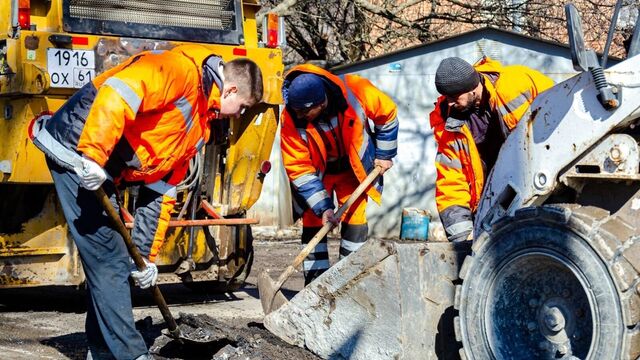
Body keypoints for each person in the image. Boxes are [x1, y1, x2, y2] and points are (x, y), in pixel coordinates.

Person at [32, 45, 263, 360]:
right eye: (242, 106)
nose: (240, 115)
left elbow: (162, 190)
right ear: (231, 89)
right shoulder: (178, 70)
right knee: (108, 259)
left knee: (115, 262)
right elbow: (117, 93)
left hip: (102, 168)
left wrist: (145, 257)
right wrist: (94, 155)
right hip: (76, 150)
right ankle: (130, 354)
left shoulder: (199, 127)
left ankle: (101, 352)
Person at [280, 64, 398, 285]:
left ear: (321, 103)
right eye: (296, 111)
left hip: (352, 172)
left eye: (304, 112)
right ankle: (315, 286)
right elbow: (299, 167)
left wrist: (385, 153)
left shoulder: (356, 89)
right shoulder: (291, 118)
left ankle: (349, 282)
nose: (299, 116)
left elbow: (387, 114)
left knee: (355, 219)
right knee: (314, 219)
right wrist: (323, 207)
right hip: (318, 175)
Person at [429, 56, 553, 242]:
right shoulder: (450, 123)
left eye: (455, 98)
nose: (450, 103)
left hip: (544, 184)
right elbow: (451, 180)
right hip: (495, 202)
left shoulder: (517, 83)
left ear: (472, 87)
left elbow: (561, 104)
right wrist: (463, 237)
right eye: (447, 98)